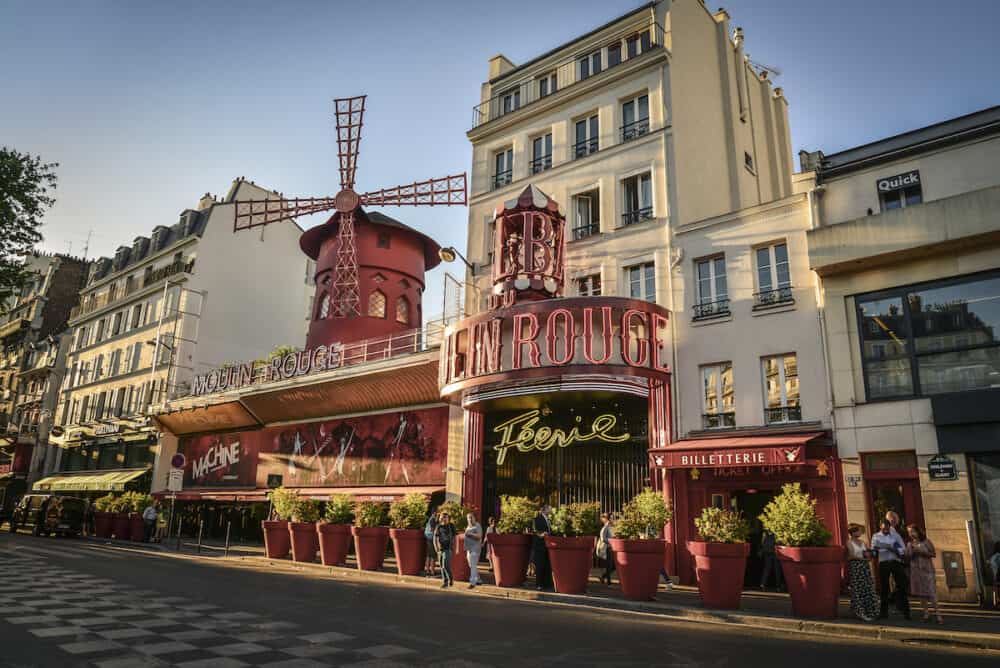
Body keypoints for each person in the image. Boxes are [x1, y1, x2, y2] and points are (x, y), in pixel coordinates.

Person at [872, 519, 911, 620]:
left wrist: (893, 549)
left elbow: (903, 549)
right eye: (883, 528)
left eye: (887, 528)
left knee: (901, 586)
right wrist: (875, 550)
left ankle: (906, 612)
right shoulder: (876, 536)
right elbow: (873, 552)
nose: (885, 530)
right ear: (880, 527)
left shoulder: (895, 536)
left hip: (895, 562)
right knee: (884, 588)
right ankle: (883, 613)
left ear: (890, 527)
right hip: (883, 563)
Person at [906, 524, 942, 624]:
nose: (911, 534)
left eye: (912, 531)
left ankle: (938, 614)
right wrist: (911, 552)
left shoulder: (926, 542)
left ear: (917, 532)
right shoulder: (910, 544)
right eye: (909, 532)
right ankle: (926, 613)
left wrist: (922, 552)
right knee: (921, 594)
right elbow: (907, 557)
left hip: (927, 571)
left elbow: (933, 554)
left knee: (931, 593)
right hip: (916, 571)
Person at [846, 524, 878, 622]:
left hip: (864, 567)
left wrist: (870, 556)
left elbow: (868, 553)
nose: (860, 533)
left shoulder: (863, 542)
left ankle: (870, 610)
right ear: (853, 532)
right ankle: (859, 611)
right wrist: (861, 558)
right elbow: (851, 555)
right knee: (857, 588)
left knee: (867, 587)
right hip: (856, 567)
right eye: (859, 531)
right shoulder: (849, 542)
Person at [532, 504, 553, 591]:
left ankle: (547, 584)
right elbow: (534, 530)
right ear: (545, 510)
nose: (551, 510)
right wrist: (541, 534)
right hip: (539, 546)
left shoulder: (549, 520)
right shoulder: (537, 519)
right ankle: (539, 584)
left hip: (547, 546)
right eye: (549, 509)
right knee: (540, 565)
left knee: (547, 565)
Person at [433, 511, 456, 588]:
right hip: (440, 549)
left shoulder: (451, 526)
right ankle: (445, 582)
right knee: (442, 566)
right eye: (442, 517)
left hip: (448, 548)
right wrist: (436, 547)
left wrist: (456, 547)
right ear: (440, 518)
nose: (444, 519)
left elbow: (455, 537)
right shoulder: (438, 527)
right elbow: (435, 538)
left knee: (445, 565)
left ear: (448, 519)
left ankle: (451, 578)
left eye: (445, 518)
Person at [464, 512, 483, 588]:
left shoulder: (477, 525)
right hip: (469, 549)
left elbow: (479, 536)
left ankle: (472, 582)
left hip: (475, 548)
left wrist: (470, 534)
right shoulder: (468, 527)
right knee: (471, 565)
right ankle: (478, 580)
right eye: (468, 518)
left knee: (473, 565)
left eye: (471, 517)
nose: (470, 519)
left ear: (474, 518)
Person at [597, 512, 615, 585]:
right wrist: (611, 541)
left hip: (611, 548)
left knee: (612, 566)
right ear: (608, 519)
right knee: (609, 566)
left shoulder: (611, 527)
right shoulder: (605, 527)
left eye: (613, 518)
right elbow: (603, 538)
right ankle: (608, 581)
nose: (613, 519)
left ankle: (603, 577)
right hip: (607, 548)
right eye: (611, 518)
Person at [423, 510, 438, 577]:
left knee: (428, 555)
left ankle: (427, 570)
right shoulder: (433, 520)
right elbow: (432, 529)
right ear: (434, 513)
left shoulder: (430, 519)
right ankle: (432, 571)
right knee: (433, 555)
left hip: (428, 538)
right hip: (431, 539)